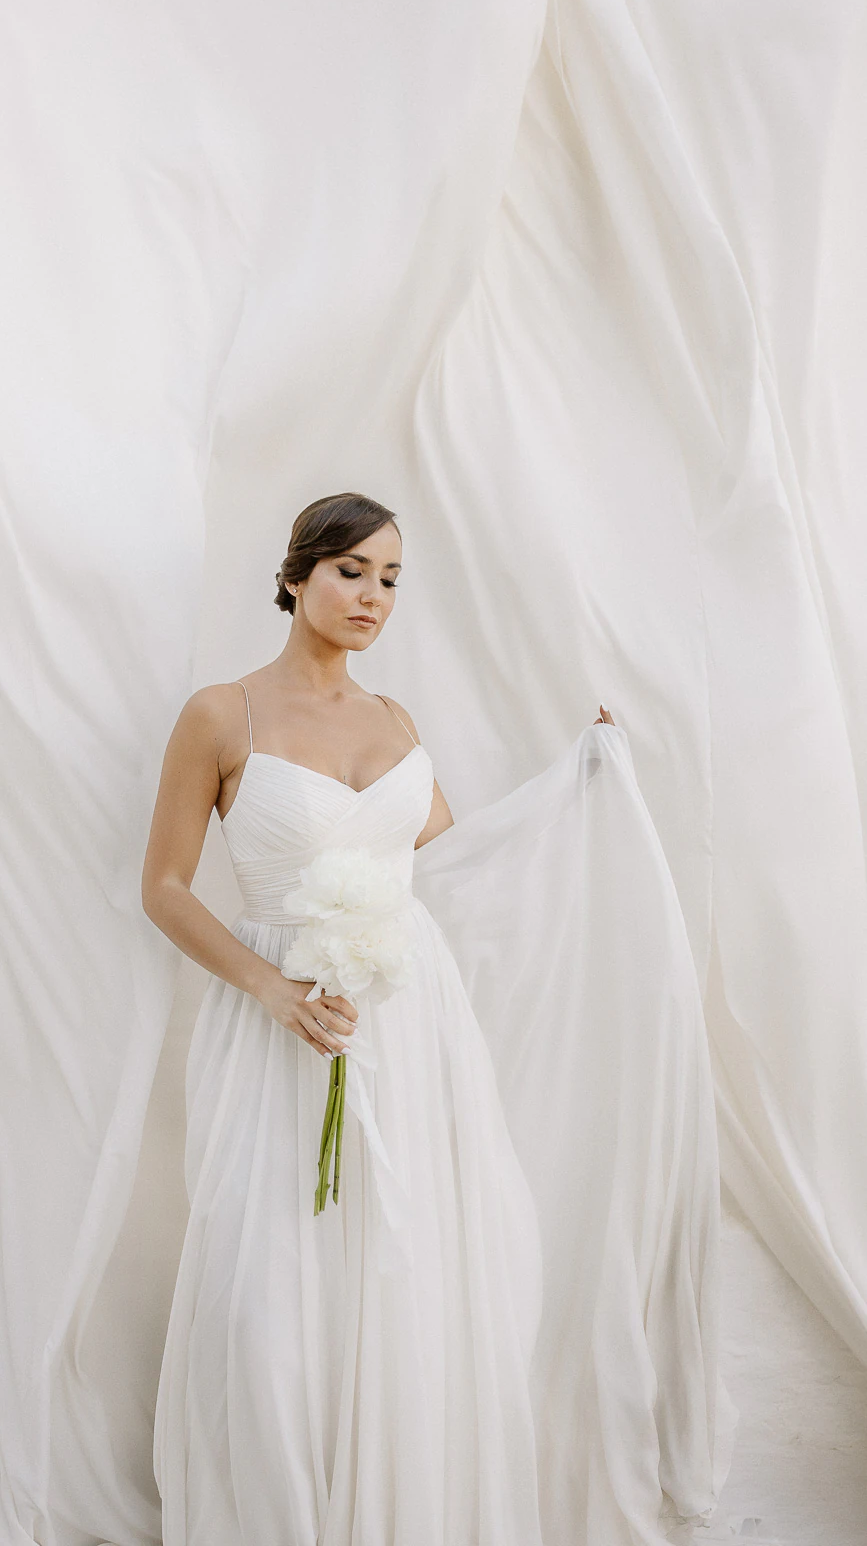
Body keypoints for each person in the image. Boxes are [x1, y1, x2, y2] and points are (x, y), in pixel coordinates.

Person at [141, 491, 724, 1546]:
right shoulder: (220, 715)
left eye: (390, 579)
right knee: (267, 1300)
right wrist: (270, 989)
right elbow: (166, 888)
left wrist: (576, 787)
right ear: (295, 576)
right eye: (350, 571)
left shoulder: (395, 721)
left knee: (401, 1276)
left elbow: (456, 865)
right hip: (280, 1023)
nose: (372, 596)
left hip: (408, 1026)